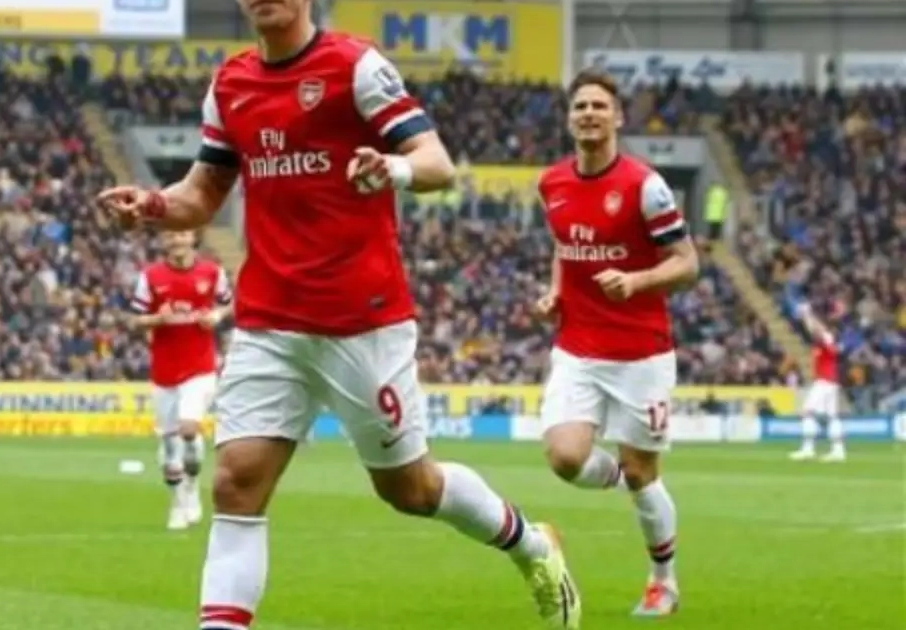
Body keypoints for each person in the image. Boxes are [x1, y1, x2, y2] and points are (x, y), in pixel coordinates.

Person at [99, 1, 581, 628]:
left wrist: (393, 167)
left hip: (362, 320)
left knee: (411, 490)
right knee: (235, 483)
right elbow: (203, 191)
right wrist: (153, 205)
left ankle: (532, 545)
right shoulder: (231, 83)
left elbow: (437, 163)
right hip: (269, 320)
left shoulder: (355, 66)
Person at [535, 68, 700, 618]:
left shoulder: (645, 186)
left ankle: (663, 581)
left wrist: (636, 281)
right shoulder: (551, 184)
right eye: (580, 106)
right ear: (569, 118)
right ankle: (622, 479)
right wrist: (556, 292)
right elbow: (564, 247)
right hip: (577, 345)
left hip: (640, 354)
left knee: (643, 472)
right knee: (564, 457)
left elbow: (687, 263)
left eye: (599, 106)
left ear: (618, 117)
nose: (589, 114)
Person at [130, 230, 233, 530]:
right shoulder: (151, 277)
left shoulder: (211, 272)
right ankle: (177, 502)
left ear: (192, 238)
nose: (177, 240)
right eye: (171, 235)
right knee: (169, 448)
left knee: (188, 429)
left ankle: (192, 486)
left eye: (183, 234)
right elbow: (135, 319)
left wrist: (216, 316)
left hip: (200, 368)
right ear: (164, 241)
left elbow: (230, 303)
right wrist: (156, 320)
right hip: (164, 372)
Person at [789, 304, 846, 462]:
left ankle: (808, 449)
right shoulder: (824, 342)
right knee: (832, 417)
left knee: (807, 412)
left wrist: (808, 314)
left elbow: (817, 330)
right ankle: (838, 451)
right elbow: (815, 331)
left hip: (824, 382)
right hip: (830, 382)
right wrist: (807, 317)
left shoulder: (827, 338)